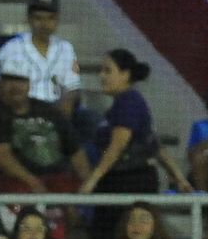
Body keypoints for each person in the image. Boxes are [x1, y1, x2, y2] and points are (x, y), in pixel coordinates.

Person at [80, 49, 189, 203]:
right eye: (101, 71)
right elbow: (154, 144)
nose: (101, 76)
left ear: (125, 74)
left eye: (108, 71)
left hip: (129, 182)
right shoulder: (120, 105)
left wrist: (93, 179)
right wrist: (179, 177)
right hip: (120, 180)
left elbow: (118, 145)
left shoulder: (129, 102)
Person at [0, 68, 85, 197]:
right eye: (9, 81)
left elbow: (75, 151)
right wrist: (32, 182)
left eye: (21, 81)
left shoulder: (49, 110)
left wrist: (88, 185)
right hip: (16, 181)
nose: (16, 87)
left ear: (29, 84)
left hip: (58, 179)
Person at [0, 0, 79, 117]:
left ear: (57, 20)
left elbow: (71, 89)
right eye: (38, 18)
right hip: (23, 112)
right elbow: (5, 92)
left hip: (56, 112)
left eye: (50, 18)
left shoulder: (66, 48)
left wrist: (62, 118)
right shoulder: (12, 49)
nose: (44, 24)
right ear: (29, 19)